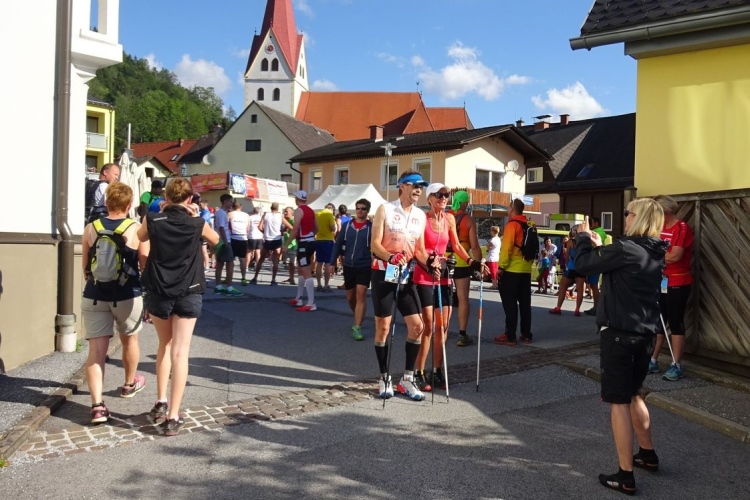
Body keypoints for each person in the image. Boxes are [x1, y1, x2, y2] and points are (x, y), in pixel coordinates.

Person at [574, 200, 668, 495]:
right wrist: (601, 246)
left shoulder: (626, 248)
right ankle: (647, 454)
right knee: (635, 392)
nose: (624, 216)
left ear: (638, 218)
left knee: (619, 402)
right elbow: (617, 263)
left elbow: (583, 264)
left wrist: (583, 238)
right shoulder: (655, 250)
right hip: (645, 334)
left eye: (627, 213)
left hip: (619, 333)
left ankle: (625, 475)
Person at [137, 177, 220, 436]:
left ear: (166, 197)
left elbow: (139, 236)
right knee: (181, 353)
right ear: (189, 199)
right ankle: (173, 415)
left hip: (159, 289)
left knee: (164, 344)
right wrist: (196, 215)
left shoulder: (153, 219)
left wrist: (161, 211)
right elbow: (218, 240)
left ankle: (161, 400)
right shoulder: (197, 222)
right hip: (189, 290)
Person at [82, 182, 149, 425]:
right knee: (130, 340)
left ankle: (97, 407)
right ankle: (129, 384)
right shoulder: (136, 229)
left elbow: (85, 267)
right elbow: (144, 264)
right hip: (127, 294)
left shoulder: (91, 227)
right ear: (129, 205)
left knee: (96, 351)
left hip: (95, 294)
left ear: (107, 202)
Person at [370, 170, 433, 401]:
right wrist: (390, 257)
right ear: (402, 186)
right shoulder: (385, 209)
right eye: (414, 185)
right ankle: (384, 377)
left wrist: (432, 262)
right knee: (384, 327)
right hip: (383, 272)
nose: (418, 190)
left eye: (421, 186)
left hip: (406, 276)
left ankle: (407, 379)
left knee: (417, 326)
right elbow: (374, 244)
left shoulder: (420, 215)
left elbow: (420, 251)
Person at [413, 183, 478, 392]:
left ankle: (437, 370)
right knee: (428, 327)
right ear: (429, 198)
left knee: (443, 327)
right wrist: (429, 265)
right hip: (424, 276)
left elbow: (456, 245)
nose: (443, 198)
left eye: (446, 195)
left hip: (443, 276)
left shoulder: (449, 218)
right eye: (439, 195)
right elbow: (418, 249)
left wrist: (471, 261)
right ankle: (419, 372)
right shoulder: (422, 219)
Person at [649, 195, 694, 381]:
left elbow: (675, 255)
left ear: (665, 211)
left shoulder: (681, 227)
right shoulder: (658, 228)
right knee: (658, 322)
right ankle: (653, 360)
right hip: (659, 280)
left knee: (675, 322)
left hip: (677, 281)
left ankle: (676, 364)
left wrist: (652, 257)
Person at [494, 199, 534, 345]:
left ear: (512, 209)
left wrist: (501, 267)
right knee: (525, 304)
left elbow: (507, 248)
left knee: (510, 304)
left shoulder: (512, 225)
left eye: (508, 207)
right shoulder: (529, 225)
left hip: (512, 270)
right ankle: (526, 334)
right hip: (526, 270)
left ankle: (510, 336)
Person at [330, 198, 372, 341]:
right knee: (350, 297)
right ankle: (357, 316)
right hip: (348, 265)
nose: (360, 211)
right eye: (358, 208)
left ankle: (357, 326)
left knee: (361, 294)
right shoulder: (347, 225)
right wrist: (332, 263)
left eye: (363, 209)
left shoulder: (371, 227)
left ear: (367, 211)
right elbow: (338, 244)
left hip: (364, 265)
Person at [448, 190, 483, 347]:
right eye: (466, 201)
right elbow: (474, 246)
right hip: (462, 260)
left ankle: (438, 331)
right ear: (464, 203)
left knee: (442, 297)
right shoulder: (468, 220)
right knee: (463, 298)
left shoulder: (445, 216)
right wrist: (479, 262)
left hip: (444, 258)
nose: (468, 204)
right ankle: (462, 335)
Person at [287, 190, 318, 311]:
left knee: (305, 270)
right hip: (310, 241)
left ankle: (311, 302)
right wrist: (310, 235)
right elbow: (317, 228)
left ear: (297, 199)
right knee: (301, 269)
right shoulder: (311, 210)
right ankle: (299, 298)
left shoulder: (299, 210)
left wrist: (286, 244)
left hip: (304, 243)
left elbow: (295, 229)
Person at [251, 202, 292, 285]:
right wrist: (282, 231)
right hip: (277, 239)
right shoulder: (280, 217)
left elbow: (259, 227)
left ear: (271, 208)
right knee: (275, 261)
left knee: (261, 259)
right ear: (278, 209)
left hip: (267, 240)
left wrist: (264, 232)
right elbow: (290, 227)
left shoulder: (265, 215)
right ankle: (273, 279)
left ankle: (255, 277)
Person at [549, 229, 586, 316]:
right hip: (581, 267)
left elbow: (567, 255)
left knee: (563, 286)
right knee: (580, 289)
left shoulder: (571, 242)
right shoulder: (585, 242)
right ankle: (577, 309)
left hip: (572, 267)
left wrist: (566, 264)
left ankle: (558, 308)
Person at [213, 194, 242, 296]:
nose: (231, 204)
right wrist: (226, 242)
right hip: (224, 241)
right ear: (225, 201)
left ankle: (218, 286)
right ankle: (229, 287)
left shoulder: (221, 213)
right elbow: (221, 228)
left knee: (220, 264)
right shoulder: (222, 213)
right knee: (230, 264)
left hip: (220, 241)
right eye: (230, 201)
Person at [584, 216, 608, 316]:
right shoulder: (601, 232)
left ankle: (597, 308)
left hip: (595, 260)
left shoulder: (597, 232)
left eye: (592, 223)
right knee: (594, 285)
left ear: (597, 223)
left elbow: (592, 244)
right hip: (597, 260)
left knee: (594, 286)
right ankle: (596, 307)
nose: (591, 224)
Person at [227, 201, 251, 285]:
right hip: (243, 238)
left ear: (233, 207)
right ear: (241, 207)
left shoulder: (230, 214)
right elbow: (248, 228)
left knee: (230, 259)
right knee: (242, 259)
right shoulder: (246, 215)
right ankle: (243, 278)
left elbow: (226, 226)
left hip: (233, 237)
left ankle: (228, 278)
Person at [315, 203, 337, 292]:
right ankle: (326, 285)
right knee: (327, 263)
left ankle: (319, 284)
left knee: (319, 263)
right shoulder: (329, 214)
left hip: (318, 239)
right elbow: (333, 228)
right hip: (328, 240)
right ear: (332, 209)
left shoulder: (317, 214)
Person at [281, 206, 297, 285]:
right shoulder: (288, 220)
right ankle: (291, 278)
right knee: (289, 263)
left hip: (292, 245)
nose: (285, 213)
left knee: (291, 263)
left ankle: (292, 279)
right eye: (284, 211)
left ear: (291, 212)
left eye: (286, 211)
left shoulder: (293, 220)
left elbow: (295, 231)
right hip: (287, 244)